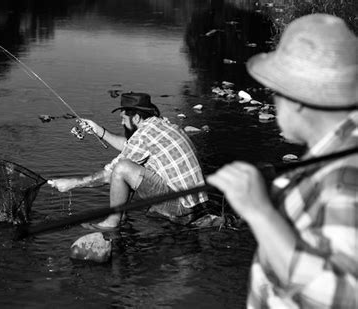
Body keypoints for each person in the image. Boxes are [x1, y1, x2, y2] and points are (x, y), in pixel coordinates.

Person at [207, 14, 357, 308]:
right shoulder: (340, 150)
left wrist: (260, 211)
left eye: (276, 90)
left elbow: (344, 296)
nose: (273, 100)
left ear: (298, 97)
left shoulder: (345, 178)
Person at [50, 92, 208, 229]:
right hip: (196, 202)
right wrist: (99, 131)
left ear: (137, 118)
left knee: (122, 168)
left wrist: (74, 183)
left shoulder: (144, 135)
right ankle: (122, 215)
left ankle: (112, 223)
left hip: (182, 207)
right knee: (133, 162)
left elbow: (110, 174)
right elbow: (129, 147)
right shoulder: (161, 125)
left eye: (124, 118)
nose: (121, 123)